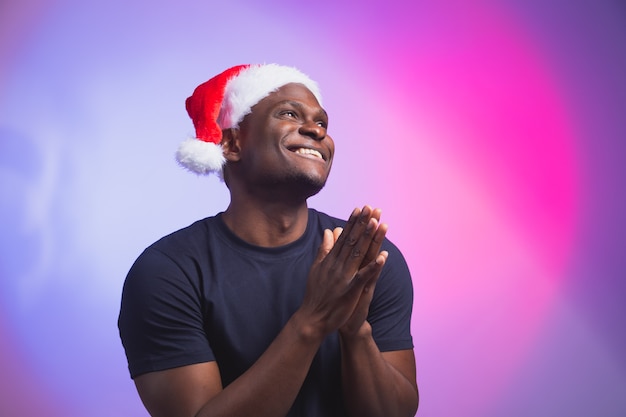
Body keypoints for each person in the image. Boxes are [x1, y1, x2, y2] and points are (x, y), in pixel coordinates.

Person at [118, 63, 419, 417]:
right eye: (289, 114)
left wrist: (355, 331)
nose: (316, 131)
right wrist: (313, 321)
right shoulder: (167, 272)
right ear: (231, 143)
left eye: (322, 122)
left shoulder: (367, 259)